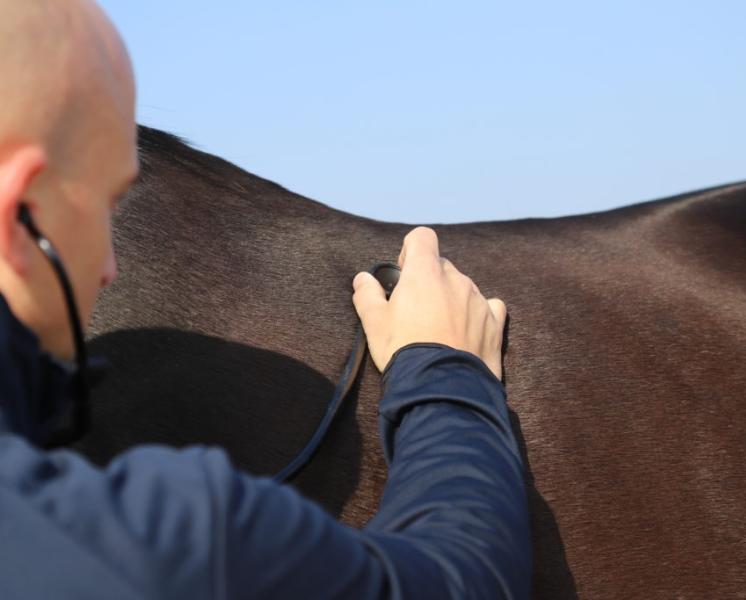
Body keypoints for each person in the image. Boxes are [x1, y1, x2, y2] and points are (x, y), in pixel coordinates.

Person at [0, 1, 532, 598]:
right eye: (106, 201)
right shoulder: (164, 541)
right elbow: (456, 582)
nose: (109, 266)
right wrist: (445, 372)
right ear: (20, 214)